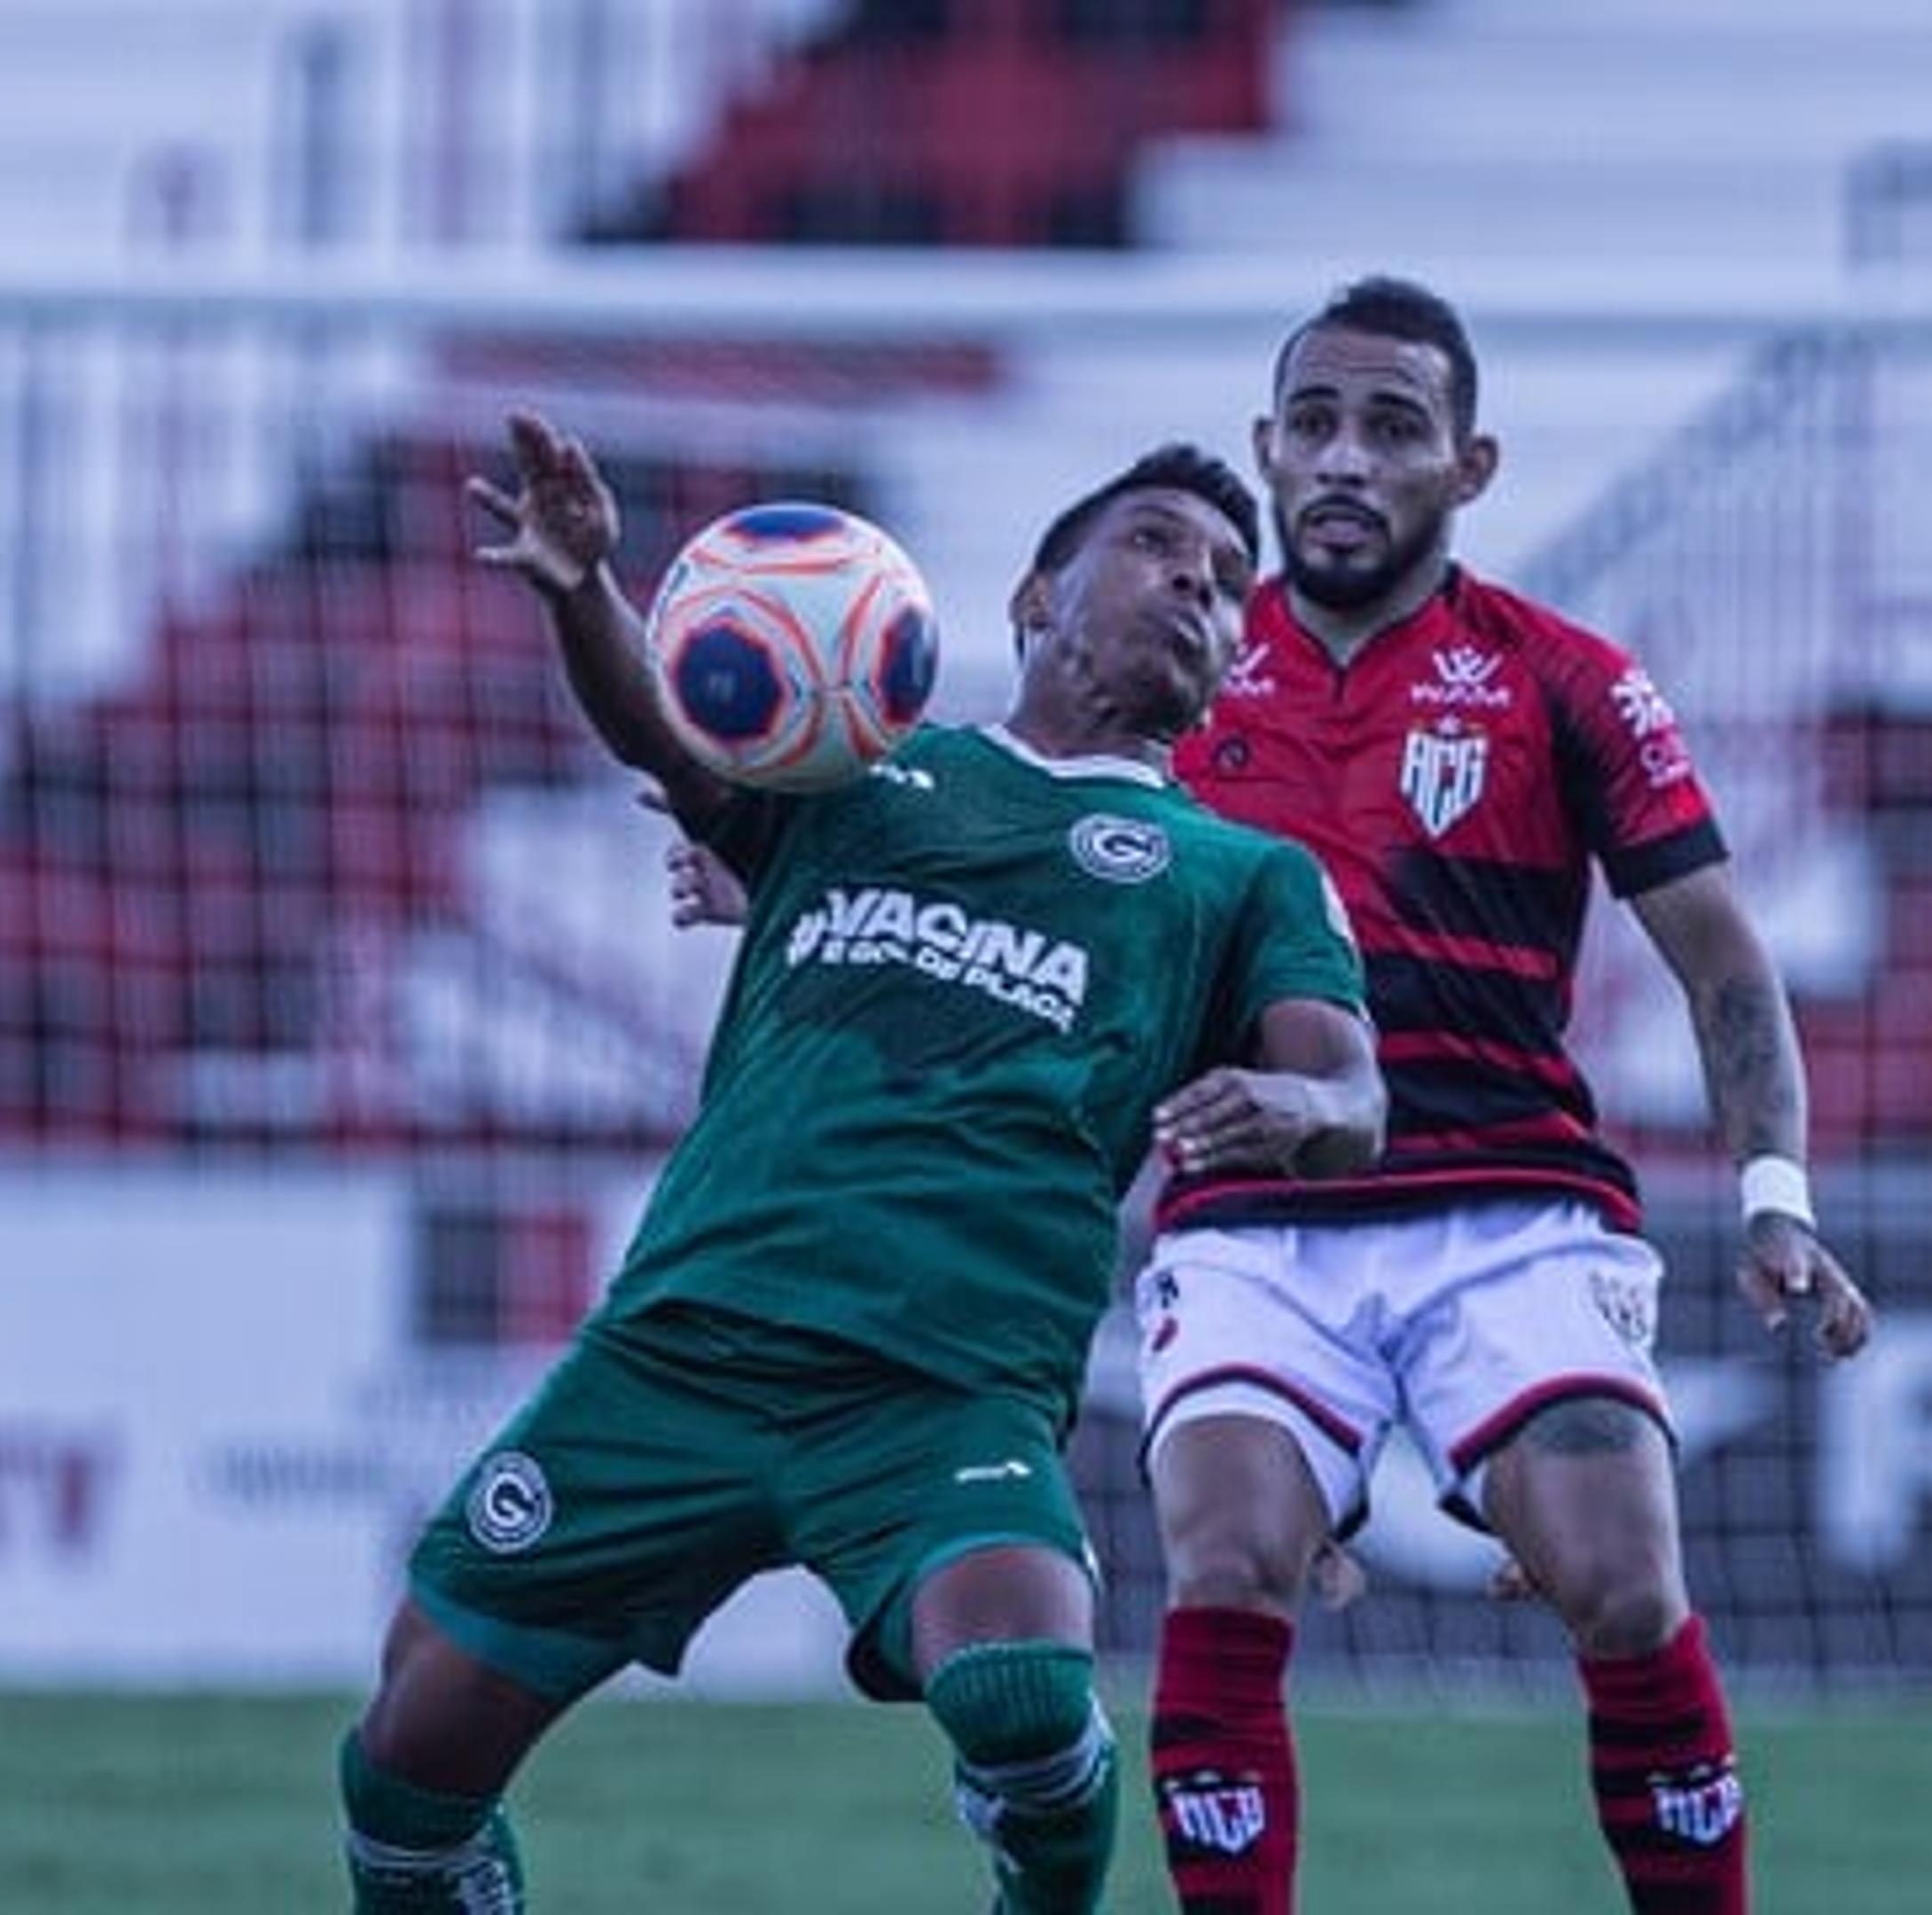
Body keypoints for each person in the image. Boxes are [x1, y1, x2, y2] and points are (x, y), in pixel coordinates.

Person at [335, 409, 1387, 1914]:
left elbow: (1350, 1091)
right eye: (1157, 547)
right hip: (686, 1343)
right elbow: (660, 726)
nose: (1199, 589)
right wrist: (581, 588)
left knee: (1027, 1697)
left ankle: (1041, 1877)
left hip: (943, 1382)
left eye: (1230, 582)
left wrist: (1297, 1114)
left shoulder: (1242, 877)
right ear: (1035, 597)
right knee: (403, 1777)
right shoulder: (860, 780)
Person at [1133, 275, 1878, 1915]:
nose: (1344, 459)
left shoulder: (1564, 680)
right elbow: (1013, 872)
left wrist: (1775, 1197)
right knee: (1228, 1560)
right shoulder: (1175, 681)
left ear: (1469, 469)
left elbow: (1727, 964)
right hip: (1257, 1219)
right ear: (1265, 448)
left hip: (1514, 1214)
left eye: (1393, 428)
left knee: (1622, 1579)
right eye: (1315, 424)